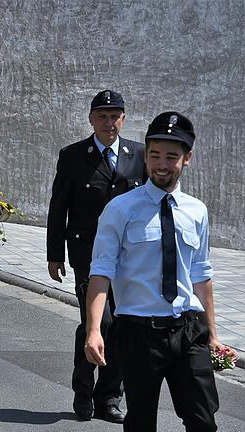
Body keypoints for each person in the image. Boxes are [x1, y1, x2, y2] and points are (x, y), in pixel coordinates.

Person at [84, 112, 237, 431]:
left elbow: (201, 273)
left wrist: (213, 334)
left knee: (203, 420)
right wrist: (94, 330)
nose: (162, 164)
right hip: (138, 333)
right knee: (140, 422)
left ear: (187, 158)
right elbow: (101, 272)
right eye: (154, 155)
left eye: (171, 156)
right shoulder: (121, 209)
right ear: (146, 155)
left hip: (188, 329)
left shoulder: (197, 211)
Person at [47, 89, 145, 423]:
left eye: (114, 116)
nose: (108, 122)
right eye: (102, 116)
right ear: (91, 119)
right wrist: (54, 254)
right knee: (97, 322)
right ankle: (83, 392)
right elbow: (59, 205)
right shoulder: (74, 155)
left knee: (121, 325)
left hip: (130, 257)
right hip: (87, 254)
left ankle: (109, 399)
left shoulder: (139, 154)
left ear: (123, 119)